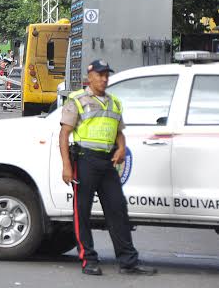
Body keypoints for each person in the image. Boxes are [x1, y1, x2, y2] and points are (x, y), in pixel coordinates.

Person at [60, 60, 156, 276]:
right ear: (90, 77)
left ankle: (128, 262)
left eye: (106, 75)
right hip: (85, 161)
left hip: (108, 163)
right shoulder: (77, 100)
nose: (104, 79)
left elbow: (119, 132)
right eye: (100, 75)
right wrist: (66, 165)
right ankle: (88, 260)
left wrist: (122, 148)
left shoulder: (114, 103)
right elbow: (64, 134)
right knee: (82, 212)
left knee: (118, 210)